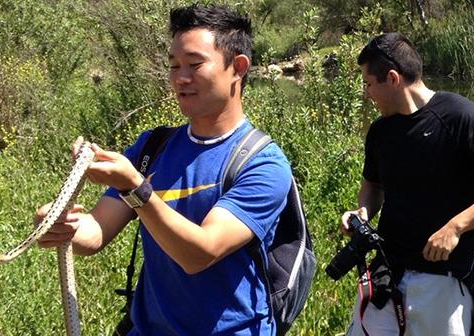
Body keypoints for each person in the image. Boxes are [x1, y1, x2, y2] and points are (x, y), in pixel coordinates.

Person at [33, 4, 291, 335]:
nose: (180, 78)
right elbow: (96, 232)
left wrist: (136, 189)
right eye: (173, 66)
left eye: (195, 65)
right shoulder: (152, 147)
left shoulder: (263, 163)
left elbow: (200, 254)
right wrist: (63, 227)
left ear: (238, 68)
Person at [340, 32, 474, 336]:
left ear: (392, 78)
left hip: (444, 280)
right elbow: (373, 186)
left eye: (368, 83)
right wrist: (362, 212)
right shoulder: (380, 131)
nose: (366, 94)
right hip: (388, 273)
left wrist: (455, 227)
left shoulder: (461, 117)